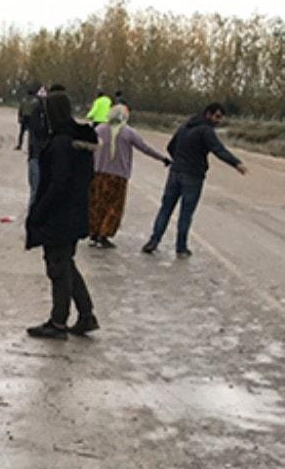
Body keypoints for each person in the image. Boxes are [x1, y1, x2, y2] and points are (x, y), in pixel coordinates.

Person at [25, 90, 99, 340]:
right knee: (66, 264)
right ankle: (86, 315)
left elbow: (56, 184)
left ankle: (58, 322)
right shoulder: (78, 141)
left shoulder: (60, 144)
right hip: (75, 213)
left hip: (59, 216)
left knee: (57, 267)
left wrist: (38, 212)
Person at [141, 103, 249, 258]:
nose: (218, 121)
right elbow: (218, 149)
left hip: (175, 173)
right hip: (193, 176)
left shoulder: (185, 126)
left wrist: (179, 160)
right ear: (208, 114)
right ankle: (181, 248)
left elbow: (171, 146)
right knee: (185, 213)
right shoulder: (206, 130)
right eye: (217, 117)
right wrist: (236, 163)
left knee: (165, 209)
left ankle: (153, 241)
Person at [88, 105, 171, 248]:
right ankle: (104, 233)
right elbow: (145, 148)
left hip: (99, 174)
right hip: (118, 176)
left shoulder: (100, 129)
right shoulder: (128, 132)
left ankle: (94, 232)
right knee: (114, 207)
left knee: (97, 204)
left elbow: (89, 147)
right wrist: (162, 158)